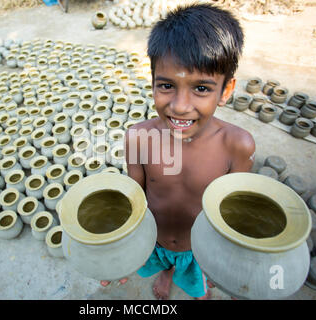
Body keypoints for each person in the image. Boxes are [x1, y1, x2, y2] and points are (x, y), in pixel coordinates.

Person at [101, 3, 255, 300]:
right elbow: (134, 199)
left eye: (201, 89)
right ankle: (166, 270)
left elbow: (235, 214)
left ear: (226, 90)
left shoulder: (237, 146)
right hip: (153, 240)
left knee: (198, 284)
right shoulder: (138, 138)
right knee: (161, 261)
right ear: (153, 83)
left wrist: (237, 268)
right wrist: (117, 251)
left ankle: (189, 278)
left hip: (198, 247)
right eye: (167, 85)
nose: (181, 105)